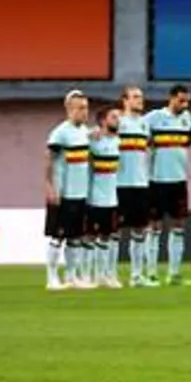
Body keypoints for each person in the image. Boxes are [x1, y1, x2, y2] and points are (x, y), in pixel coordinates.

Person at [143, 85, 191, 285]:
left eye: (187, 101)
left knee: (178, 226)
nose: (185, 104)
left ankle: (174, 273)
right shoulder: (154, 118)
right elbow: (138, 135)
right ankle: (151, 272)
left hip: (179, 180)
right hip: (156, 180)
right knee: (154, 227)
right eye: (181, 100)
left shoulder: (186, 119)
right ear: (171, 98)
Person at [43, 90, 94, 291]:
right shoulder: (60, 133)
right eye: (80, 108)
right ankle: (52, 278)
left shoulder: (85, 132)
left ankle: (72, 276)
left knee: (75, 237)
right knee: (58, 236)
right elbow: (48, 159)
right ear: (69, 109)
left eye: (86, 108)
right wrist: (49, 186)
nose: (85, 112)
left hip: (80, 193)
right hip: (63, 192)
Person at [115, 86, 154, 286]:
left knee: (140, 230)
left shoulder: (145, 125)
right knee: (113, 231)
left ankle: (137, 275)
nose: (140, 100)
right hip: (119, 183)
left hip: (140, 183)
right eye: (135, 97)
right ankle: (108, 274)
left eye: (141, 97)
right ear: (125, 100)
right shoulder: (118, 122)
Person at [87, 105, 124, 289]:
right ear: (103, 121)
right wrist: (91, 131)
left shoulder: (119, 142)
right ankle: (90, 275)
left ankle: (108, 274)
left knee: (110, 236)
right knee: (92, 237)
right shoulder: (93, 141)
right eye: (114, 117)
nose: (118, 120)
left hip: (113, 198)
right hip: (95, 197)